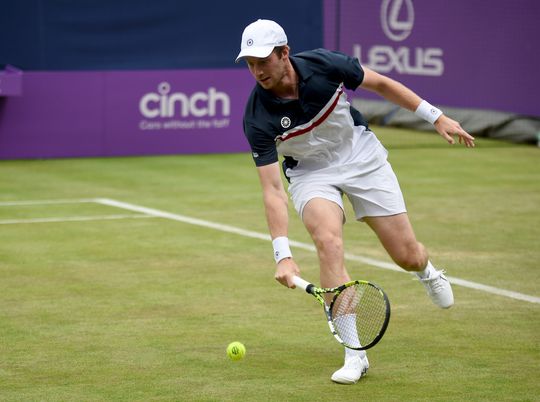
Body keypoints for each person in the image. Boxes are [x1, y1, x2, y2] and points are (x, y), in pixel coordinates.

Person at [235, 19, 475, 385]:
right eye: (250, 63)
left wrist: (435, 116)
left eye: (263, 60)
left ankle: (427, 271)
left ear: (285, 53)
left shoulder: (323, 65)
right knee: (327, 242)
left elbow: (380, 83)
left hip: (360, 156)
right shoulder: (257, 116)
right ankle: (354, 354)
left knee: (407, 254)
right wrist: (281, 253)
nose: (257, 70)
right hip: (311, 173)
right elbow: (271, 189)